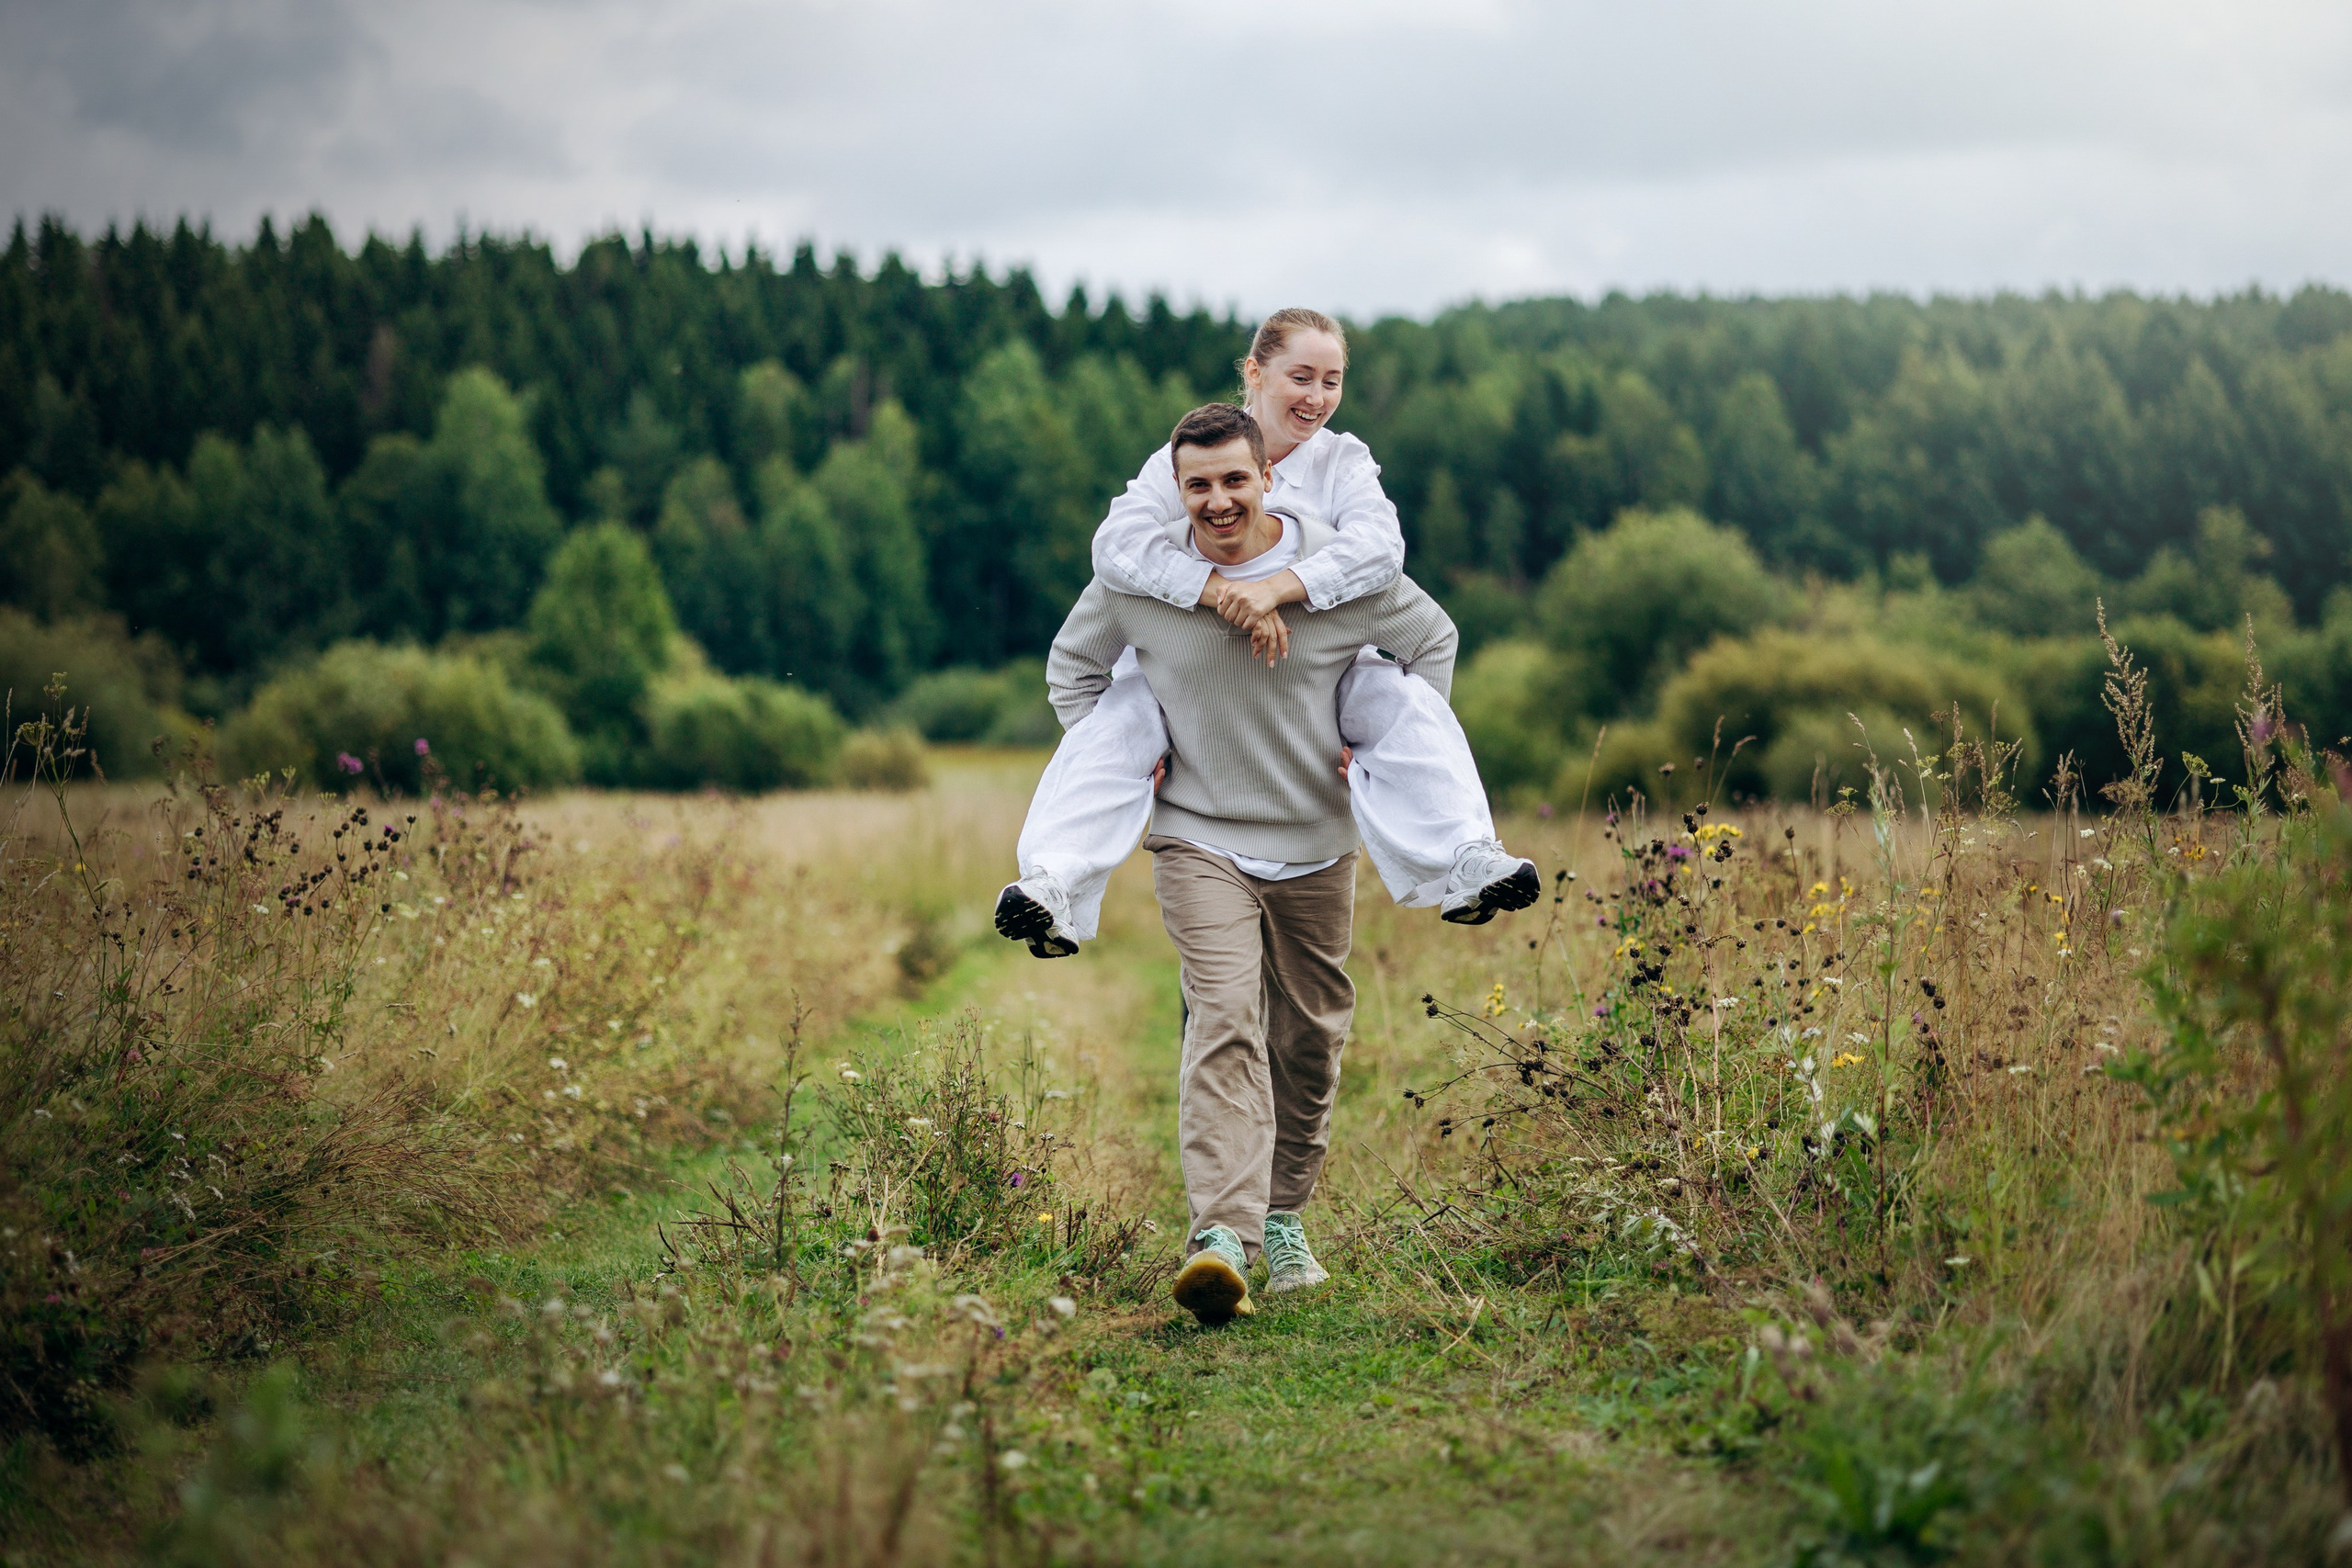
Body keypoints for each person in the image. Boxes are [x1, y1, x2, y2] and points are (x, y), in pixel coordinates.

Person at [1045, 403, 1459, 1324]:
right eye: (1199, 485)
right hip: (1197, 835)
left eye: (1236, 480)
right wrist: (1129, 761)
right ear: (1177, 488)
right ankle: (1219, 1239)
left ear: (1268, 476)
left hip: (1315, 841)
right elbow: (1073, 673)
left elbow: (1432, 643)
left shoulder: (1336, 575)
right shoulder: (1139, 580)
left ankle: (1282, 1221)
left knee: (1309, 1034)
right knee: (1225, 1014)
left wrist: (1386, 753)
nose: (1219, 500)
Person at [993, 308, 1536, 959]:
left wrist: (1277, 589)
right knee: (1118, 716)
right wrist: (1218, 593)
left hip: (1321, 680)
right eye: (1301, 376)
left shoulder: (1343, 462)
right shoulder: (1193, 455)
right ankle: (1052, 881)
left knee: (1399, 697)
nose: (1317, 397)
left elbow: (1381, 548)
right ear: (1254, 372)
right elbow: (1115, 547)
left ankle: (1467, 856)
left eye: (1332, 381)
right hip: (1189, 684)